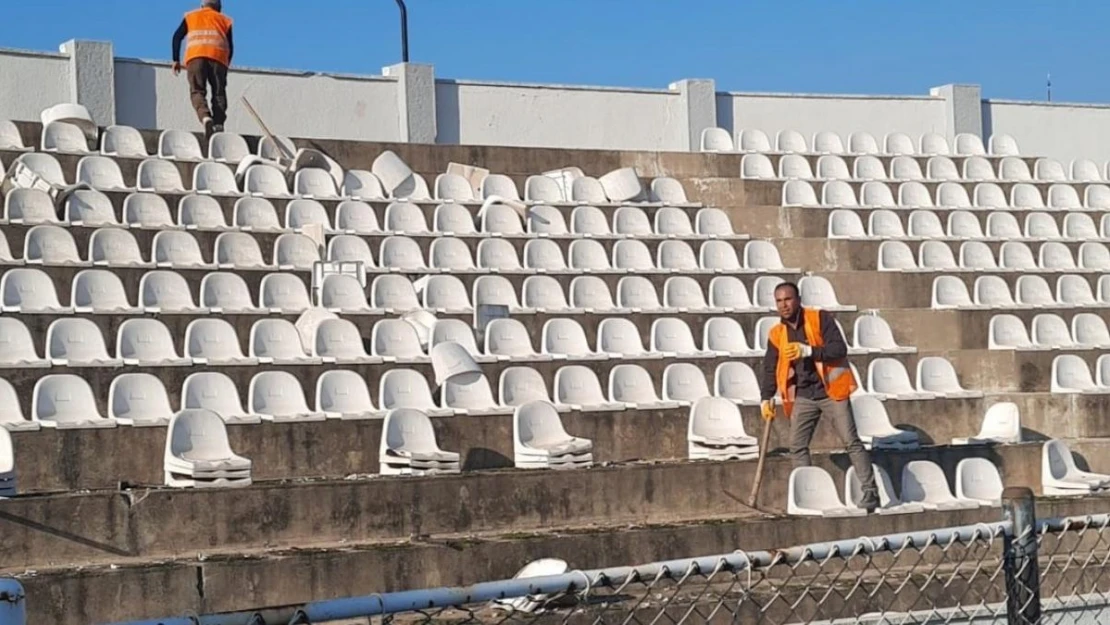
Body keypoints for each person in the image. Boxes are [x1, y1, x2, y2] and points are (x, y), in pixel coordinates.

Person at [759, 281, 881, 512]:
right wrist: (766, 397)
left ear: (797, 299)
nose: (783, 305)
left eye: (787, 299)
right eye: (779, 301)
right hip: (804, 394)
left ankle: (871, 492)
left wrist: (808, 350)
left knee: (851, 441)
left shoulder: (820, 318)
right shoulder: (777, 334)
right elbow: (770, 366)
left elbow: (839, 349)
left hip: (831, 390)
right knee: (797, 446)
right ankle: (806, 493)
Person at [171, 0, 234, 137]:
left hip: (195, 57)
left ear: (202, 6)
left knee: (197, 90)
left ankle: (205, 117)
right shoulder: (225, 20)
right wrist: (225, 66)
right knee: (219, 92)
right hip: (218, 59)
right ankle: (218, 124)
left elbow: (177, 37)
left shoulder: (191, 16)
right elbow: (231, 47)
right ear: (219, 7)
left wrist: (175, 59)